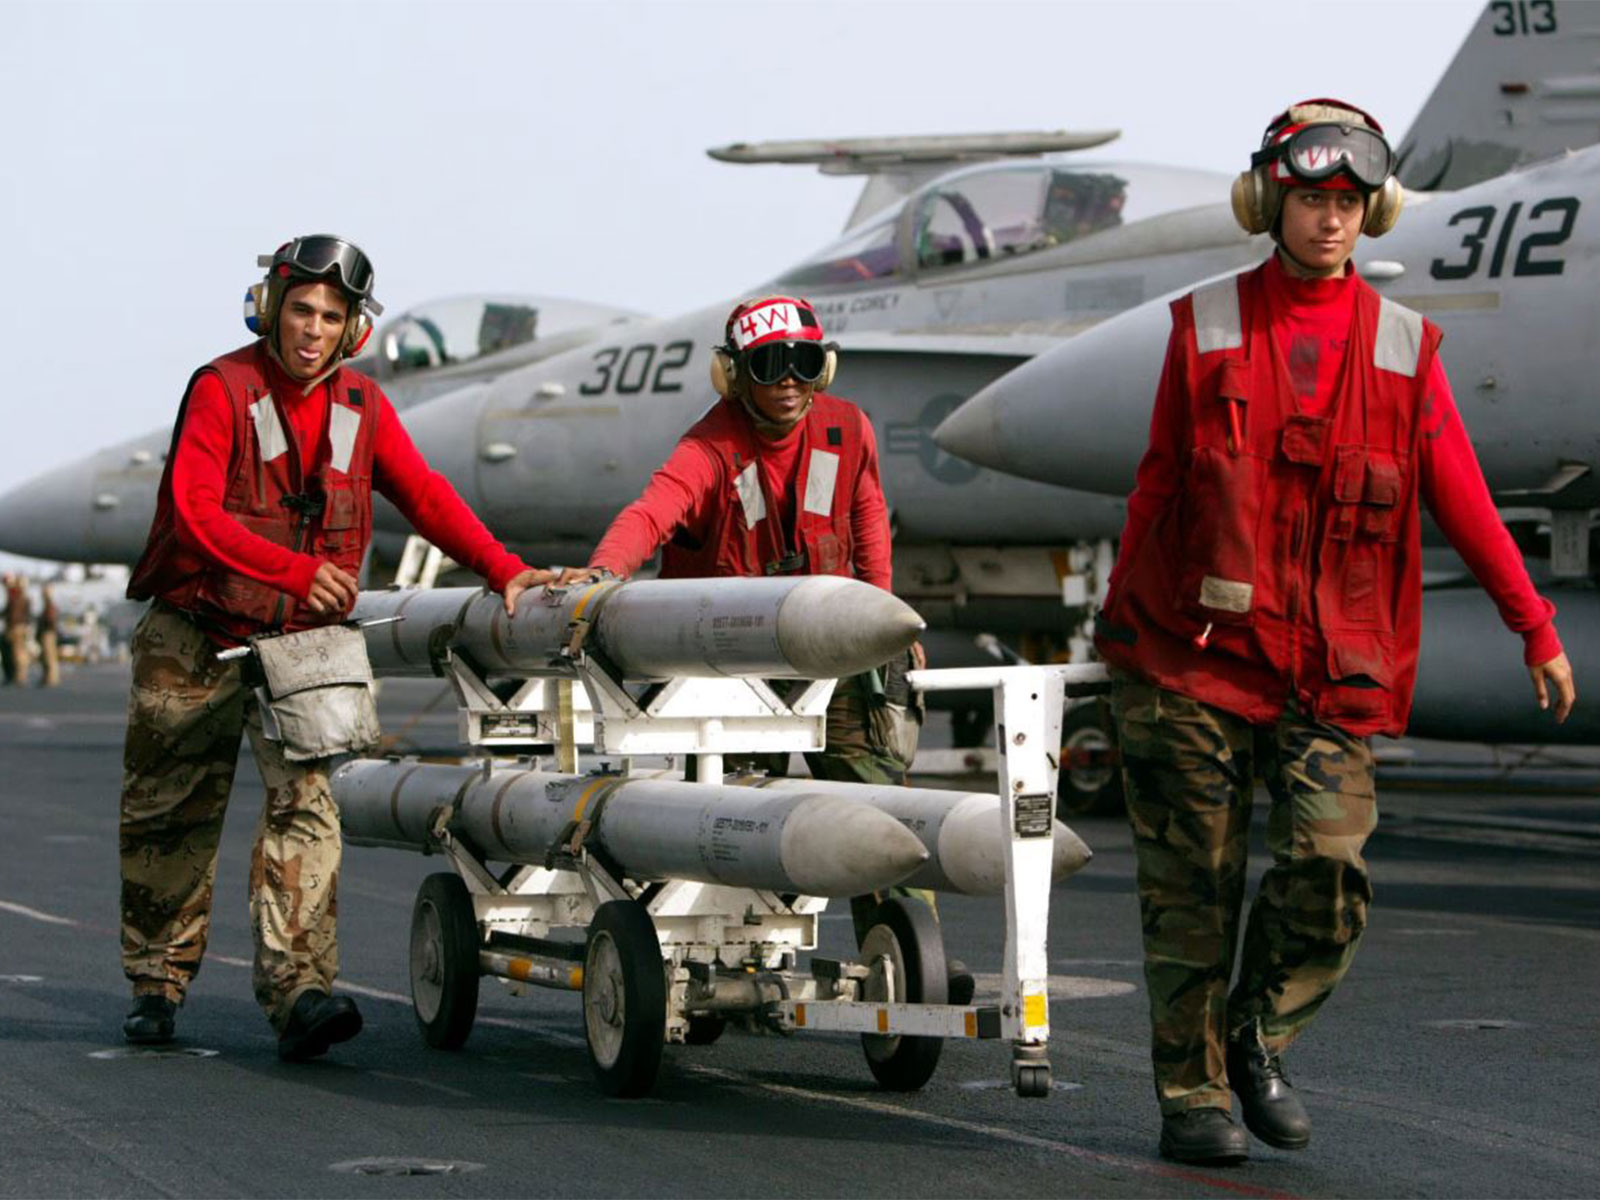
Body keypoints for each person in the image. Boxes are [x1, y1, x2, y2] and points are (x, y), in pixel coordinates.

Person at [1094, 100, 1577, 1166]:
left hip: (1326, 668)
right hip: (1191, 660)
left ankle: (1259, 1037)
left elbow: (1460, 496)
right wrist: (1118, 637)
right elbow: (1157, 488)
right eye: (1311, 198)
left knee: (1328, 871)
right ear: (1270, 202)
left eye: (1348, 202)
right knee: (1191, 894)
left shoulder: (1404, 347)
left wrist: (1532, 625)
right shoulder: (1206, 326)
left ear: (1375, 210)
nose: (1329, 220)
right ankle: (1191, 1099)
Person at [118, 235, 553, 1059]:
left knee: (309, 812)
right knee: (170, 816)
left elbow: (421, 492)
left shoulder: (363, 407)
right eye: (300, 310)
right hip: (195, 632)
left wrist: (505, 570)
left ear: (354, 329)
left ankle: (301, 994)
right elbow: (194, 511)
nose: (312, 329)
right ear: (271, 309)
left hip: (300, 646)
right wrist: (292, 570)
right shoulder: (222, 389)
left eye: (331, 316)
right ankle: (156, 982)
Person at [557, 295, 969, 1003]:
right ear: (734, 374)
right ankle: (716, 954)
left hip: (832, 656)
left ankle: (905, 946)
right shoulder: (709, 447)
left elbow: (868, 514)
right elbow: (652, 511)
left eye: (803, 364)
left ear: (823, 367)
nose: (787, 380)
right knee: (738, 816)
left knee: (877, 801)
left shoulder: (846, 431)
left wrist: (888, 617)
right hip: (732, 672)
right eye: (768, 365)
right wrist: (601, 576)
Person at [4, 574, 32, 685]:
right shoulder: (22, 598)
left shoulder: (16, 598)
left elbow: (13, 614)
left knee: (18, 653)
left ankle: (20, 677)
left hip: (16, 627)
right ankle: (19, 676)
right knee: (18, 652)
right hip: (19, 627)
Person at [36, 583, 60, 687]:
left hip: (48, 633)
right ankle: (49, 677)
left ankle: (51, 678)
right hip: (48, 632)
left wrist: (45, 626)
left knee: (49, 656)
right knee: (47, 656)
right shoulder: (47, 605)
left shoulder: (50, 605)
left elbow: (50, 619)